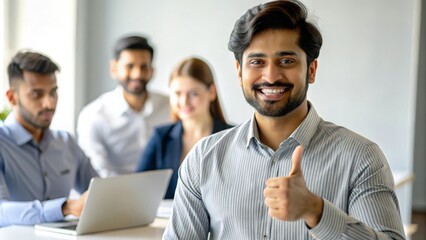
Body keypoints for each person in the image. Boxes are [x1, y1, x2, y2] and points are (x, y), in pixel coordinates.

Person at [163, 0, 406, 239]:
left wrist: (316, 212)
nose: (270, 76)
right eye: (257, 62)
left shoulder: (361, 157)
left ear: (311, 70)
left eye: (286, 61)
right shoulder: (203, 158)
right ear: (239, 72)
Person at [0, 51, 98, 227]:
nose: (49, 103)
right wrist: (65, 208)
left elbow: (97, 191)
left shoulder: (66, 141)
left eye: (53, 92)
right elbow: (1, 211)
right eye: (37, 94)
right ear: (12, 97)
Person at [135, 57, 233, 199]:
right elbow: (136, 189)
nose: (184, 101)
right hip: (167, 220)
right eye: (177, 93)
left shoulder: (233, 137)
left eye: (193, 93)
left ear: (211, 92)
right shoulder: (160, 137)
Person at [77, 35, 170, 177]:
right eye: (129, 66)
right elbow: (97, 173)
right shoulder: (93, 116)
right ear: (114, 68)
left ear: (152, 70)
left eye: (144, 67)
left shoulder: (170, 106)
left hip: (164, 193)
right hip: (113, 194)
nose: (137, 74)